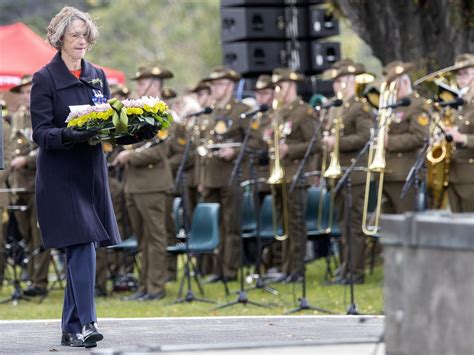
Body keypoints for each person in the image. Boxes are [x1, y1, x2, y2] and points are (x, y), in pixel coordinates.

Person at [29, 6, 153, 348]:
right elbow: (40, 133)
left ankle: (70, 326)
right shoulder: (44, 78)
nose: (81, 41)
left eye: (85, 34)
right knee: (82, 243)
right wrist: (71, 135)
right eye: (74, 35)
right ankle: (87, 323)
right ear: (59, 39)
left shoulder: (97, 75)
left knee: (81, 246)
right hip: (59, 174)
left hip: (92, 173)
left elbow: (109, 126)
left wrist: (139, 132)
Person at [113, 64, 174, 301]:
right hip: (134, 184)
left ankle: (156, 287)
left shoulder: (163, 112)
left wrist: (131, 156)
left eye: (142, 83)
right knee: (143, 239)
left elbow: (159, 151)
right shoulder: (137, 112)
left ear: (155, 85)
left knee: (155, 238)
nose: (137, 87)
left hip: (153, 184)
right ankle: (145, 286)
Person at [320, 60, 373, 285]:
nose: (336, 85)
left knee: (354, 224)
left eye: (340, 80)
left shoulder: (359, 107)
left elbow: (364, 137)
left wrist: (336, 142)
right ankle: (345, 268)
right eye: (335, 82)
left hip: (354, 173)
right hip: (338, 172)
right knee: (343, 224)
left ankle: (355, 272)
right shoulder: (335, 107)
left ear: (351, 81)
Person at [199, 66, 250, 282]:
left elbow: (253, 142)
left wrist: (234, 151)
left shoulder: (241, 109)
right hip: (211, 175)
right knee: (216, 225)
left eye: (219, 84)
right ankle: (216, 269)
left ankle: (229, 270)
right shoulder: (211, 110)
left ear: (229, 86)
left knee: (231, 226)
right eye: (213, 85)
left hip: (231, 174)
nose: (214, 89)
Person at [269, 68, 317, 283]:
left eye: (282, 85)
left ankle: (297, 270)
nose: (278, 90)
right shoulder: (279, 111)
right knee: (284, 224)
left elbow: (314, 143)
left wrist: (290, 149)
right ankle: (287, 268)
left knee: (296, 224)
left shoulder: (303, 111)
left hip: (296, 174)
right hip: (280, 175)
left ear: (292, 85)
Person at [9, 75, 51, 296]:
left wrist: (26, 160)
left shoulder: (42, 115)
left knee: (39, 235)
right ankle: (31, 277)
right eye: (23, 92)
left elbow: (46, 148)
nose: (26, 96)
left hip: (37, 183)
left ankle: (39, 282)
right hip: (19, 184)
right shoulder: (18, 117)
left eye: (29, 91)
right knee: (25, 234)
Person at [382, 61, 430, 213]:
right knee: (389, 226)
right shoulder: (392, 106)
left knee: (405, 221)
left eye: (394, 86)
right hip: (386, 173)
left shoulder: (417, 104)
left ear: (404, 82)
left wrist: (390, 142)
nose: (391, 91)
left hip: (405, 173)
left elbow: (420, 137)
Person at [445, 53, 474, 212]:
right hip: (455, 175)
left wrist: (462, 138)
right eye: (458, 74)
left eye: (466, 73)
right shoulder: (461, 104)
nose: (461, 78)